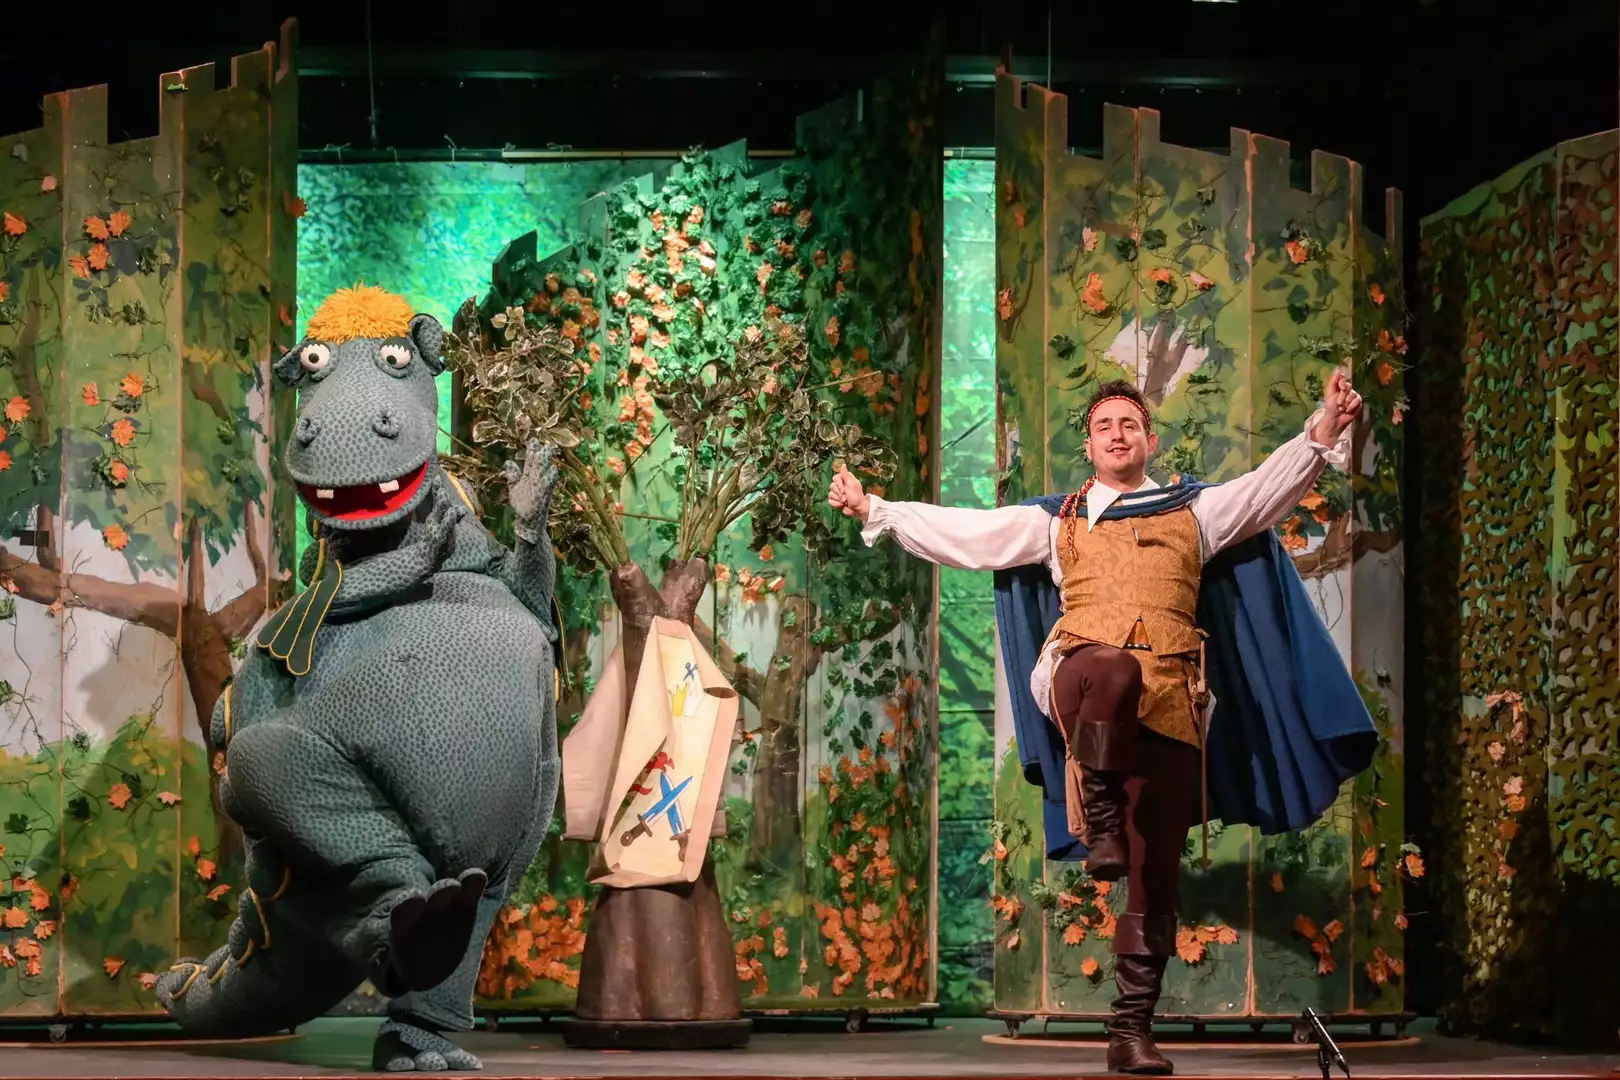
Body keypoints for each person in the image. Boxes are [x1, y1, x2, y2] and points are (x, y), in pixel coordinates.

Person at [827, 372, 1372, 1076]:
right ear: (1088, 445)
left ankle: (1131, 1031)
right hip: (1079, 675)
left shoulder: (1196, 512)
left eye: (1129, 424)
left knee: (1155, 878)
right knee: (1113, 669)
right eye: (1104, 425)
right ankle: (1103, 818)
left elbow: (1267, 488)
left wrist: (1325, 425)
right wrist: (876, 508)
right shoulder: (1057, 521)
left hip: (1172, 699)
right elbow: (972, 534)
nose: (1117, 434)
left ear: (1150, 439)